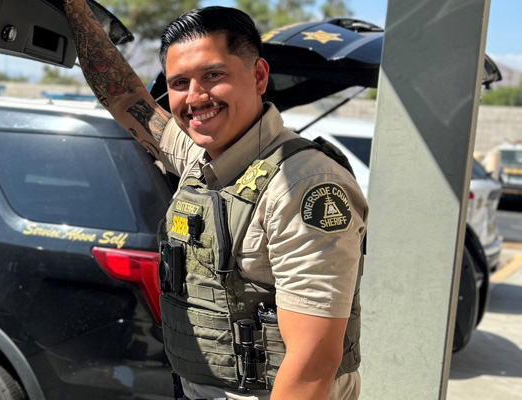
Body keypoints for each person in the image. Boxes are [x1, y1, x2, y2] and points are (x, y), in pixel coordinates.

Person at [62, 3, 366, 400]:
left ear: (258, 76)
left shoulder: (304, 185)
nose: (195, 97)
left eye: (213, 76)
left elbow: (312, 364)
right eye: (179, 83)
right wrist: (74, 11)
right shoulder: (198, 157)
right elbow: (122, 96)